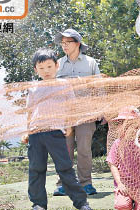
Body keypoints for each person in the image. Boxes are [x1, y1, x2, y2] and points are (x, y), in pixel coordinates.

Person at [21, 48, 92, 210]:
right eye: (41, 68)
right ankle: (38, 204)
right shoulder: (33, 88)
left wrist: (69, 126)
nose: (46, 71)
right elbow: (30, 111)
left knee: (65, 168)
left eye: (49, 67)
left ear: (56, 66)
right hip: (36, 133)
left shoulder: (64, 85)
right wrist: (27, 130)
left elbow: (71, 108)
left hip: (56, 133)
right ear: (35, 69)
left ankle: (81, 203)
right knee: (36, 169)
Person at [53, 29, 100, 196]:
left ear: (78, 44)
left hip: (86, 113)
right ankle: (63, 184)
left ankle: (86, 183)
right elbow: (51, 89)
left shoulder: (91, 63)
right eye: (62, 43)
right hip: (63, 114)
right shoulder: (57, 64)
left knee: (84, 149)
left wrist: (101, 111)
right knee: (64, 149)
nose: (64, 46)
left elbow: (98, 88)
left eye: (68, 42)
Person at [106, 107, 140, 210]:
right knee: (122, 205)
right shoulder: (118, 143)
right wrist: (119, 184)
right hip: (124, 185)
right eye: (122, 123)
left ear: (138, 125)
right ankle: (126, 200)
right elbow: (112, 164)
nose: (125, 126)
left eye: (129, 123)